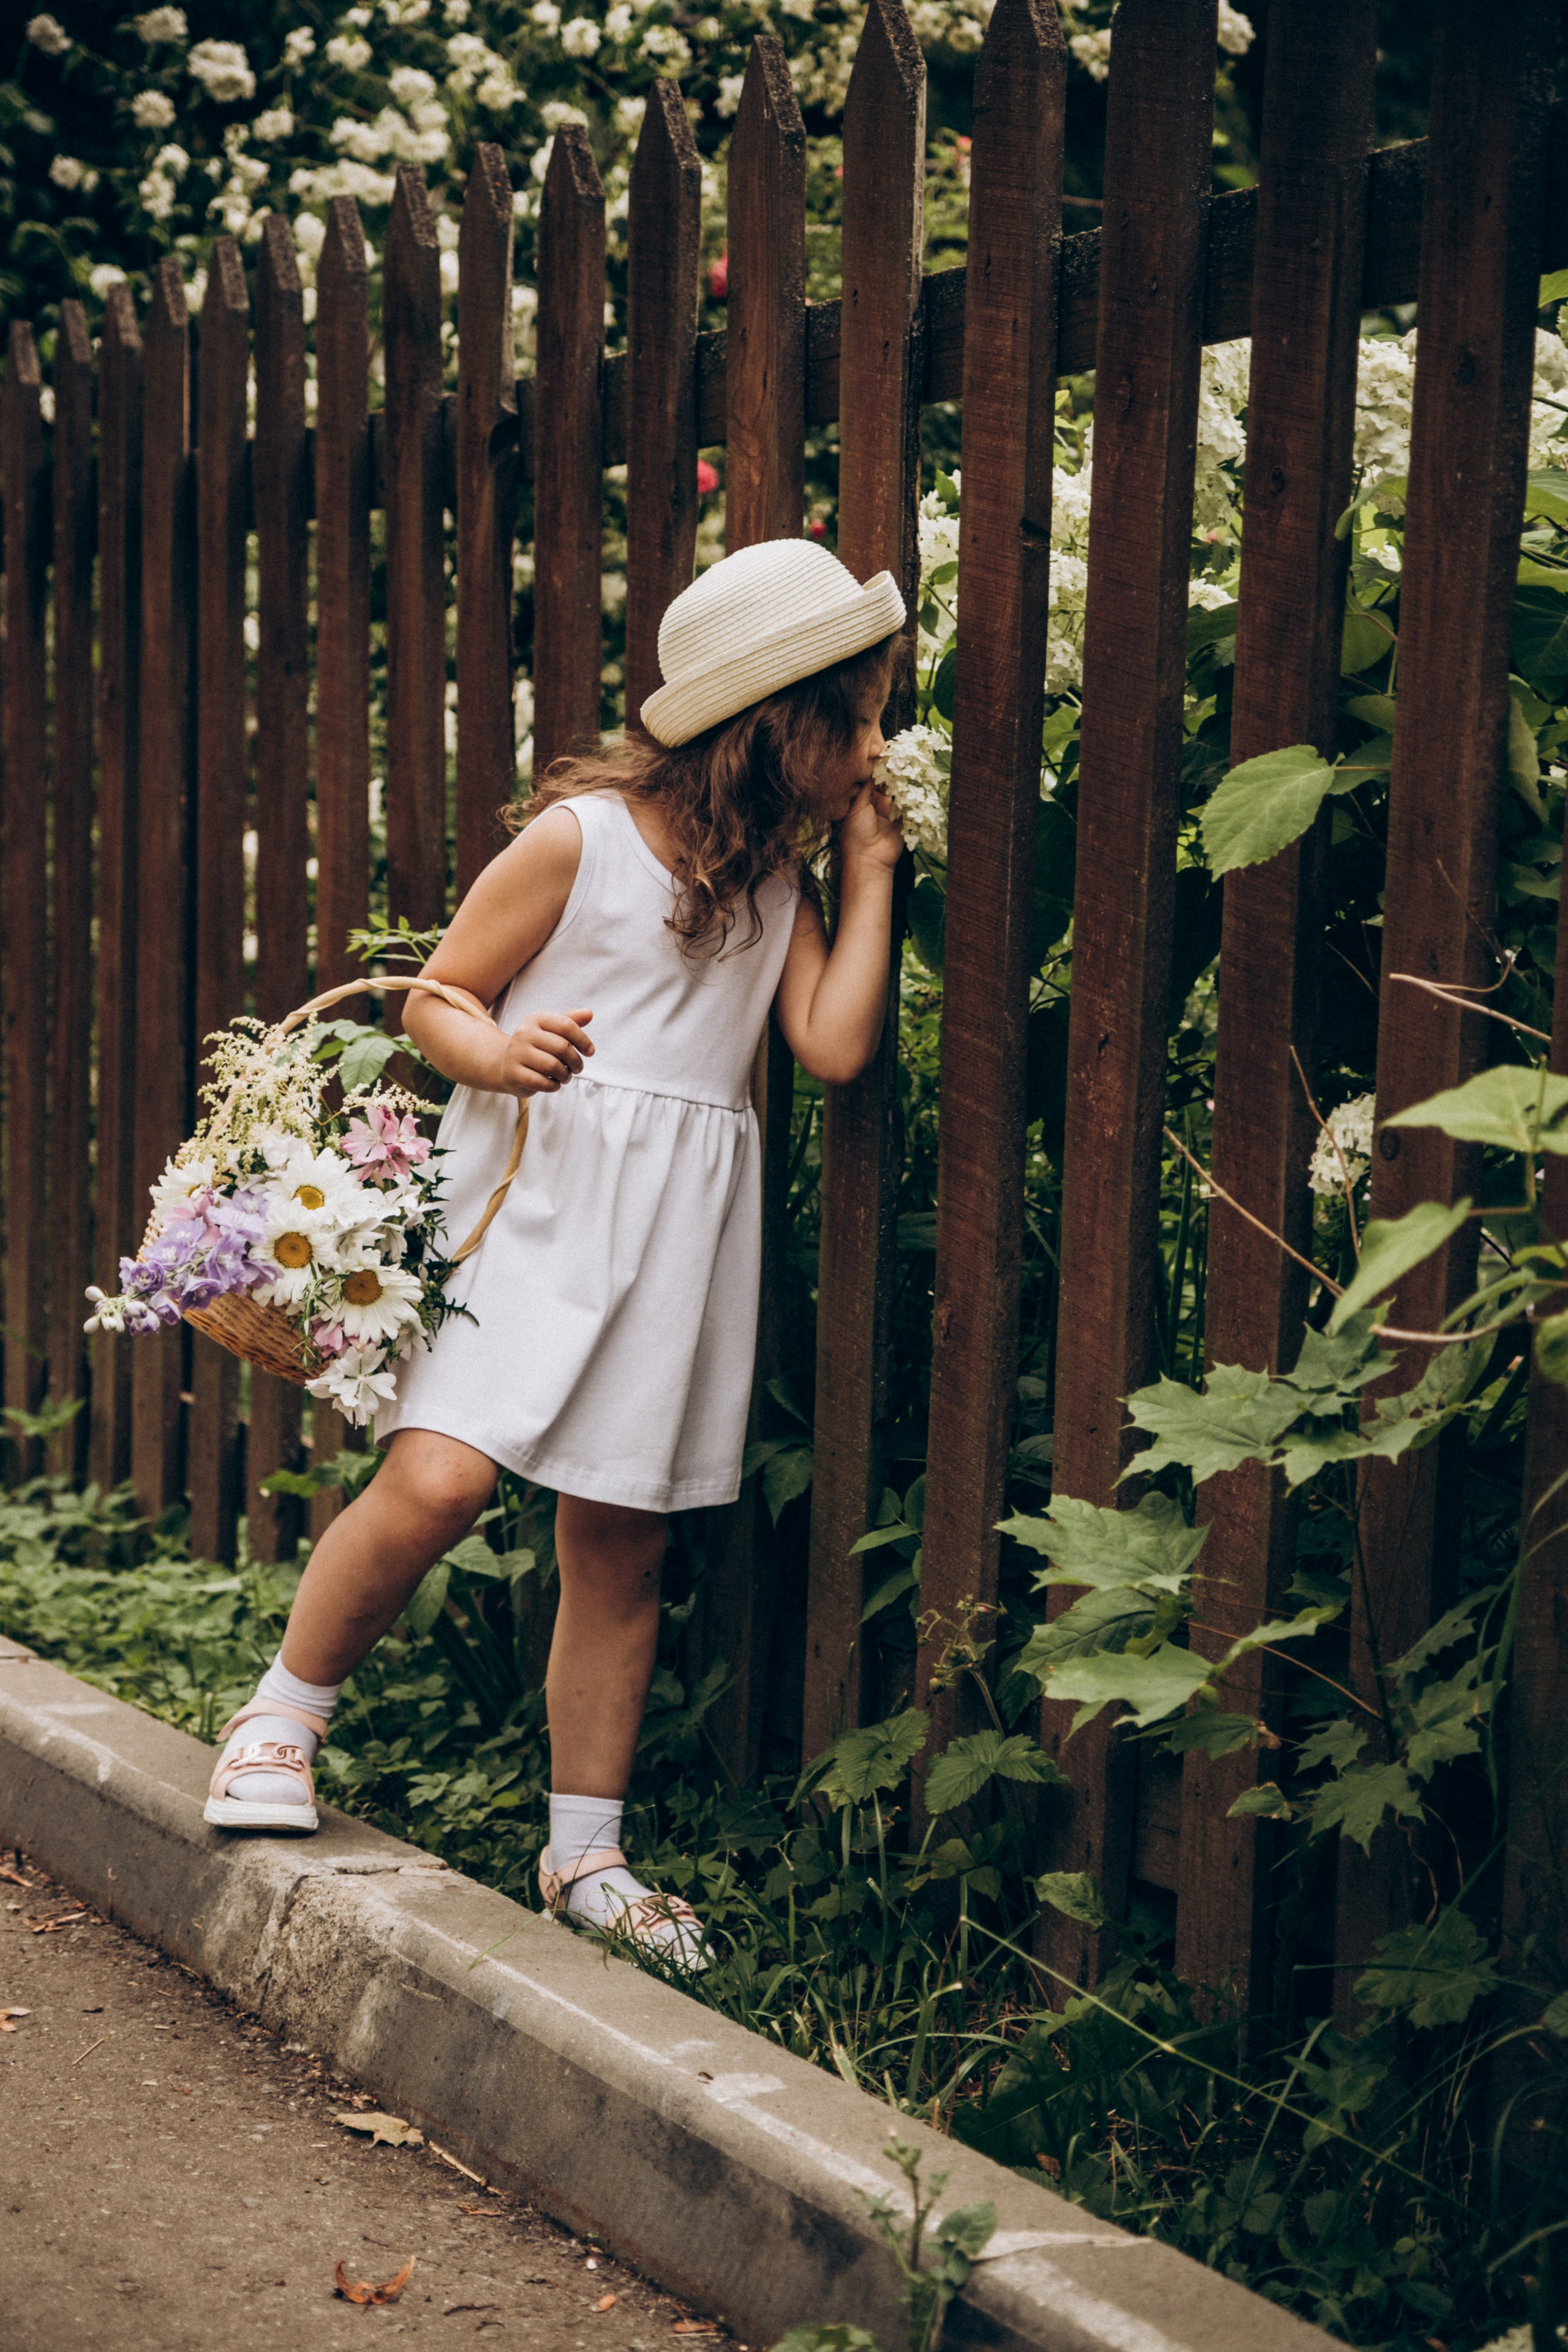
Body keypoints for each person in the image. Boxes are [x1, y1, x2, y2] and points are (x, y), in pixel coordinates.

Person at [204, 537, 908, 1969]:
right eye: (865, 714)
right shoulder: (578, 842)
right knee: (440, 1477)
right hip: (535, 1195)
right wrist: (503, 1050)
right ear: (785, 726)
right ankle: (279, 1721)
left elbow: (832, 1046)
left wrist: (869, 866)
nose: (879, 744)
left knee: (621, 1541)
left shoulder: (776, 884)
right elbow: (438, 997)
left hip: (669, 1242)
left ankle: (585, 1851)